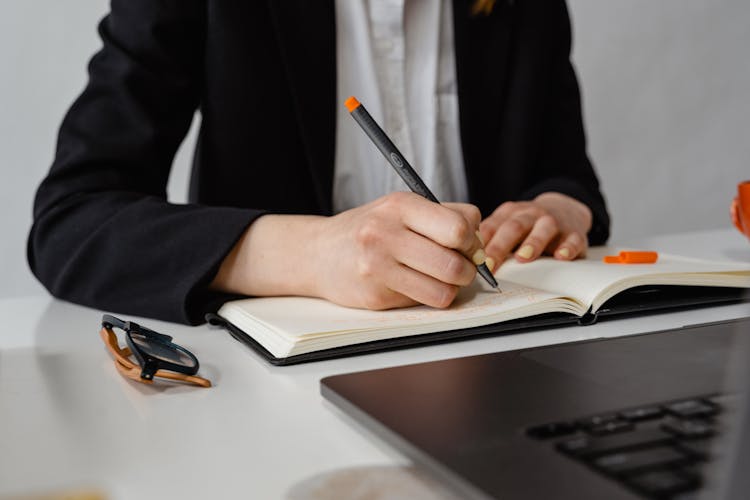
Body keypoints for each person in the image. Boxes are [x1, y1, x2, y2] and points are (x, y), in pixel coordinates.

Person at [28, 0, 609, 325]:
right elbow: (72, 225)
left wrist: (558, 207)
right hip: (273, 402)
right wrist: (313, 253)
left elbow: (564, 175)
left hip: (503, 365)